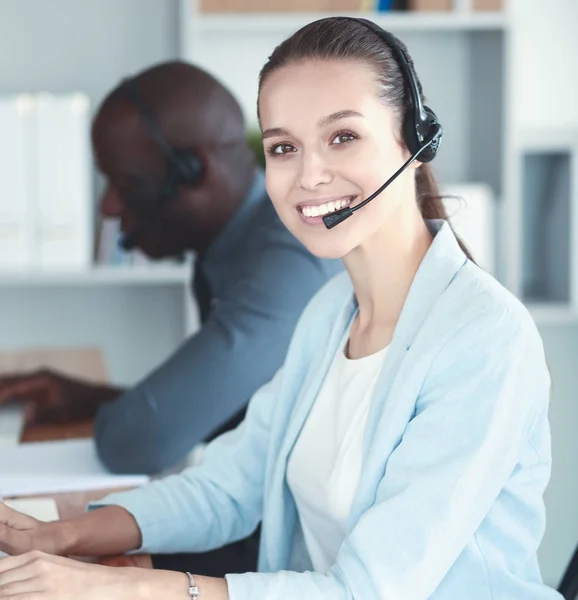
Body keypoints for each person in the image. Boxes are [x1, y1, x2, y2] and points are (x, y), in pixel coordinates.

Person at [0, 17, 562, 600]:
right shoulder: (329, 314)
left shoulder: (484, 339)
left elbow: (367, 590)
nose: (310, 175)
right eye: (284, 147)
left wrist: (121, 588)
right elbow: (229, 485)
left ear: (415, 141)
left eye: (343, 136)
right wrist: (62, 536)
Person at [0, 61, 341, 478]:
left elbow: (138, 443)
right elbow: (232, 413)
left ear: (195, 173)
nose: (108, 207)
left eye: (125, 184)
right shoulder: (238, 243)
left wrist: (127, 416)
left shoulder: (292, 258)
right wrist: (96, 399)